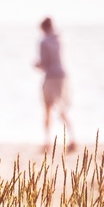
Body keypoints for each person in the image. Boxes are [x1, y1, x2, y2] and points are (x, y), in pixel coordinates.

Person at [34, 17, 76, 152]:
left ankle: (47, 142)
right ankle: (73, 138)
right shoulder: (61, 39)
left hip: (51, 76)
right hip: (63, 76)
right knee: (62, 109)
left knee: (47, 109)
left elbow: (44, 64)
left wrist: (36, 65)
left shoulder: (44, 42)